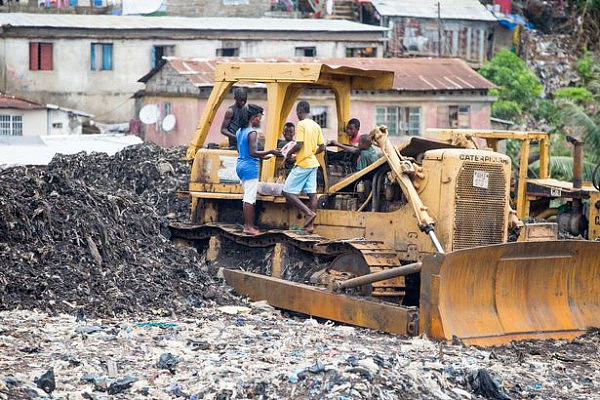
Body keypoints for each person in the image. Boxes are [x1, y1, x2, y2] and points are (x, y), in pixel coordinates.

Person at [236, 104, 282, 235]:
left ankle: (247, 225)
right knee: (250, 198)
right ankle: (249, 227)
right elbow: (253, 152)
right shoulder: (252, 132)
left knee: (246, 197)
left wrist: (263, 156)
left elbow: (242, 150)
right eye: (259, 117)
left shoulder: (240, 131)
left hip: (241, 165)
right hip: (250, 168)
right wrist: (271, 151)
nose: (260, 120)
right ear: (254, 118)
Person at [282, 101, 325, 233]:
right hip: (313, 164)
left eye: (297, 113)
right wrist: (310, 153)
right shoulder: (316, 125)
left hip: (304, 164)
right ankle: (309, 226)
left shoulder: (301, 124)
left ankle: (308, 213)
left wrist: (288, 153)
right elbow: (322, 147)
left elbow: (299, 144)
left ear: (300, 111)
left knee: (287, 191)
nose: (297, 116)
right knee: (312, 194)